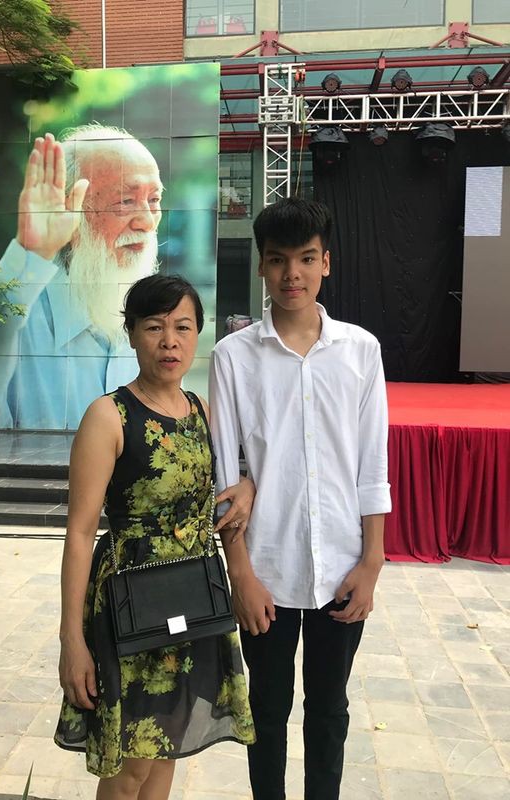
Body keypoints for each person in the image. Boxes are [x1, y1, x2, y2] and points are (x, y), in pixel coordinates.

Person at [209, 197, 391, 800]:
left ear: (326, 263)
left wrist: (371, 562)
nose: (293, 273)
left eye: (307, 259)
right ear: (262, 266)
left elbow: (372, 464)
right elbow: (224, 476)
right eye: (278, 259)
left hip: (341, 567)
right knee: (266, 712)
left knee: (329, 710)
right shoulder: (233, 357)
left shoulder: (361, 351)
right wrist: (241, 575)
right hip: (267, 569)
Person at [55, 274, 255, 798]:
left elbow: (226, 488)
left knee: (166, 748)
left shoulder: (201, 411)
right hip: (129, 609)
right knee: (130, 769)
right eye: (154, 327)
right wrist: (71, 639)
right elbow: (79, 533)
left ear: (197, 335)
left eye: (182, 327)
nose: (170, 341)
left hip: (191, 603)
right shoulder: (108, 416)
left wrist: (249, 486)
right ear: (131, 334)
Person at [0, 124, 163, 430]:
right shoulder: (16, 319)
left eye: (154, 200)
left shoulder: (158, 320)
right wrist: (30, 253)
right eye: (126, 201)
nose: (147, 222)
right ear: (68, 208)